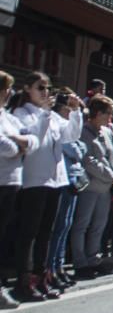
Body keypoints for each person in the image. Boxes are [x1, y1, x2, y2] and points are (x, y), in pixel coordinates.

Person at [11, 72, 83, 301]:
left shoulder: (51, 116)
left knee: (46, 232)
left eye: (47, 88)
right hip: (34, 180)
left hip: (55, 181)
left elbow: (71, 135)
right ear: (28, 90)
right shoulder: (22, 114)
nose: (45, 93)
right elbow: (34, 141)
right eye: (40, 88)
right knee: (29, 233)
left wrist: (75, 111)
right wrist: (45, 115)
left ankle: (42, 277)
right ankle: (24, 280)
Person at [0, 71, 41, 308]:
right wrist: (18, 144)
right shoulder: (15, 116)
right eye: (5, 88)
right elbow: (4, 146)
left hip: (12, 182)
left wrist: (17, 141)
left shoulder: (8, 118)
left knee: (4, 236)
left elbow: (33, 141)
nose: (8, 93)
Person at [71, 95, 113, 279]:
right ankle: (79, 261)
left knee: (99, 225)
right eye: (109, 113)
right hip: (90, 186)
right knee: (81, 224)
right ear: (98, 113)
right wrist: (110, 175)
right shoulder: (83, 131)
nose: (111, 118)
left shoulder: (107, 132)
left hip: (105, 188)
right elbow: (88, 161)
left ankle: (93, 258)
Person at [48, 91, 88, 289]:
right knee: (56, 227)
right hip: (58, 181)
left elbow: (78, 142)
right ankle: (49, 268)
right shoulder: (53, 121)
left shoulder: (65, 125)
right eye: (67, 110)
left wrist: (77, 110)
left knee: (65, 225)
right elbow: (73, 147)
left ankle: (59, 265)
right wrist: (76, 148)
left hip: (72, 180)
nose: (69, 114)